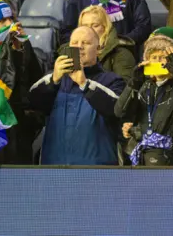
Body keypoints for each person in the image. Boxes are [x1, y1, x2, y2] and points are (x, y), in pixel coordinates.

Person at [29, 26, 125, 165]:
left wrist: (84, 83)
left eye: (86, 43)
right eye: (74, 43)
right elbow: (33, 103)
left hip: (99, 171)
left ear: (98, 49)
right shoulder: (54, 79)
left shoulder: (112, 81)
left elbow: (117, 109)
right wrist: (53, 80)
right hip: (54, 169)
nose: (79, 47)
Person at [115, 27, 173, 166]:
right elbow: (120, 111)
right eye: (154, 57)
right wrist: (133, 83)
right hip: (143, 158)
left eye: (163, 57)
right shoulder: (144, 86)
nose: (159, 62)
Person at [0, 0, 44, 164]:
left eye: (10, 19)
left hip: (18, 127)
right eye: (1, 21)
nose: (8, 24)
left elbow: (35, 78)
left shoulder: (20, 43)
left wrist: (22, 45)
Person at [76, 5, 136, 81]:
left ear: (105, 27)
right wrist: (56, 79)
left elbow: (123, 89)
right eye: (85, 26)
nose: (89, 30)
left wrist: (85, 83)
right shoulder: (72, 51)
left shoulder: (121, 54)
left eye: (95, 25)